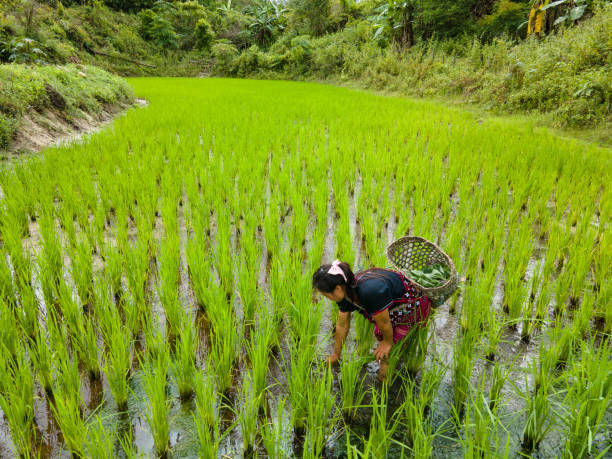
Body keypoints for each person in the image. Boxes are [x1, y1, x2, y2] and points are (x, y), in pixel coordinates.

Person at [312, 260, 432, 381]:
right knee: (381, 335)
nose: (327, 298)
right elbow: (342, 325)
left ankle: (384, 390)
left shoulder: (369, 291)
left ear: (337, 288)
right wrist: (336, 354)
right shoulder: (345, 291)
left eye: (326, 295)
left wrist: (387, 343)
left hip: (412, 305)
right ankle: (394, 357)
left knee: (388, 353)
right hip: (390, 309)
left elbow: (384, 323)